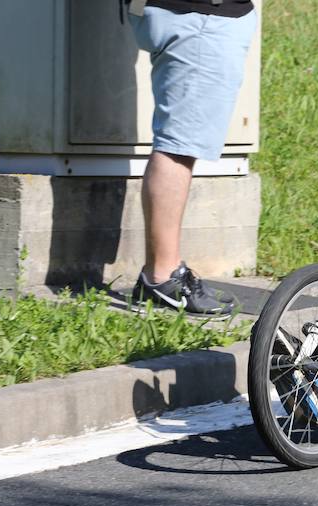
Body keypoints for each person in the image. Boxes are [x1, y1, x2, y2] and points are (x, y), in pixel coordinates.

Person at [126, 0, 257, 314]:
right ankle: (162, 278)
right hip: (199, 19)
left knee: (179, 144)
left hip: (190, 15)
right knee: (177, 148)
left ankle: (160, 274)